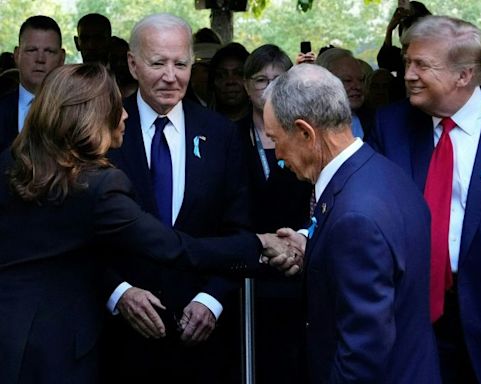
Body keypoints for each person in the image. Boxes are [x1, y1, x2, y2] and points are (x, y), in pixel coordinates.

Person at [0, 63, 296, 384]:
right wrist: (260, 244)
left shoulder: (12, 162)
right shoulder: (99, 186)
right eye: (116, 106)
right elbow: (174, 248)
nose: (126, 115)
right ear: (93, 116)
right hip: (59, 346)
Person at [101, 14, 270, 384]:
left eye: (181, 64)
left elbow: (238, 230)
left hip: (203, 342)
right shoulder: (103, 131)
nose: (171, 76)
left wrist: (211, 298)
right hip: (120, 342)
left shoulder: (222, 135)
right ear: (133, 63)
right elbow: (83, 233)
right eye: (158, 62)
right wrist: (118, 292)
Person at [263, 63, 440, 383]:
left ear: (305, 132)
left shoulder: (356, 217)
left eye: (276, 139)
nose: (277, 154)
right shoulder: (384, 173)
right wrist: (313, 245)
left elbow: (362, 353)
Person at [372, 15, 481, 383]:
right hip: (412, 319)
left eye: (422, 65)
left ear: (463, 75)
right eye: (407, 63)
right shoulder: (390, 126)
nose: (408, 75)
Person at [241, 44, 312, 384]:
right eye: (260, 79)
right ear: (245, 85)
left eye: (278, 79)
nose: (268, 87)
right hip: (245, 269)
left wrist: (297, 243)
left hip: (296, 266)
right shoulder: (228, 136)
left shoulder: (305, 134)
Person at [0, 15, 65, 153]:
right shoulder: (2, 108)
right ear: (17, 55)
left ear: (61, 58)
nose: (40, 59)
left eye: (49, 51)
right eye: (31, 50)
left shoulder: (76, 111)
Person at [316, 47, 375, 140]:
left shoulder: (375, 123)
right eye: (347, 80)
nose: (358, 86)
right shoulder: (307, 125)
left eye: (361, 80)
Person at [377, 1, 431, 98]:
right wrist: (389, 30)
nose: (403, 53)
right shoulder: (400, 57)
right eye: (403, 46)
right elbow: (384, 62)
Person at [208, 42, 251, 122]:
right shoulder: (201, 123)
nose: (230, 81)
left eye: (239, 74)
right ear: (212, 82)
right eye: (221, 75)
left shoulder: (264, 125)